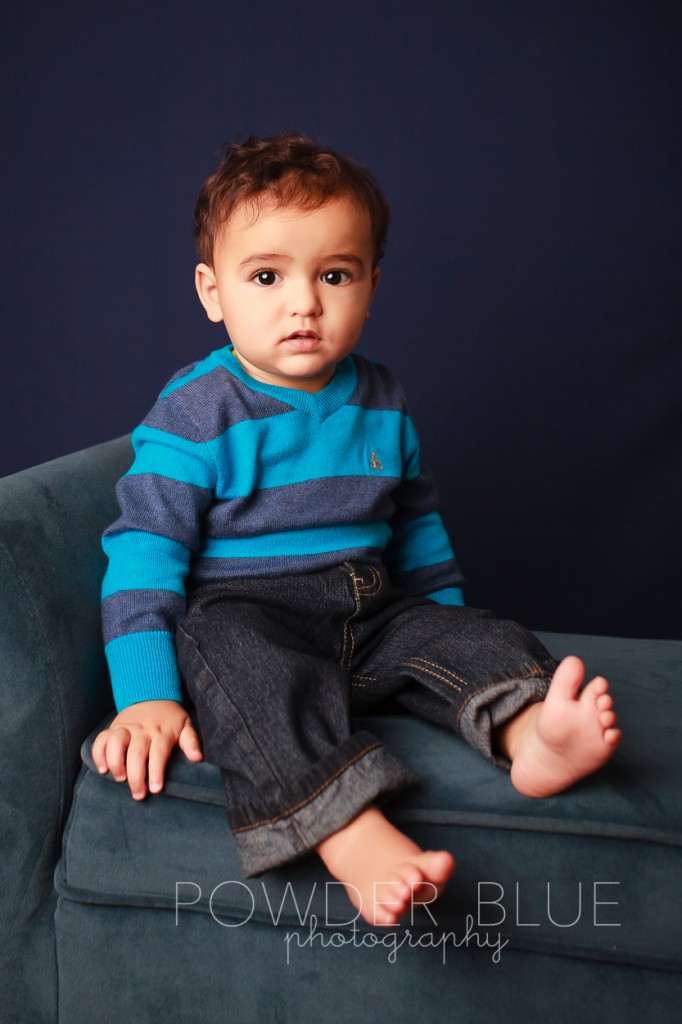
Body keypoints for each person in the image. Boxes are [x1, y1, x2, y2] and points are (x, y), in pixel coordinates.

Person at [93, 132, 621, 927]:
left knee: (474, 636)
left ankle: (526, 729)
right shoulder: (197, 412)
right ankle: (351, 832)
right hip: (251, 613)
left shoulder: (382, 396)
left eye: (334, 274)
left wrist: (449, 630)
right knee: (238, 667)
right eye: (266, 276)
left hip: (370, 612)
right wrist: (145, 695)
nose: (303, 302)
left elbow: (415, 523)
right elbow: (144, 551)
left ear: (371, 285)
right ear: (212, 291)